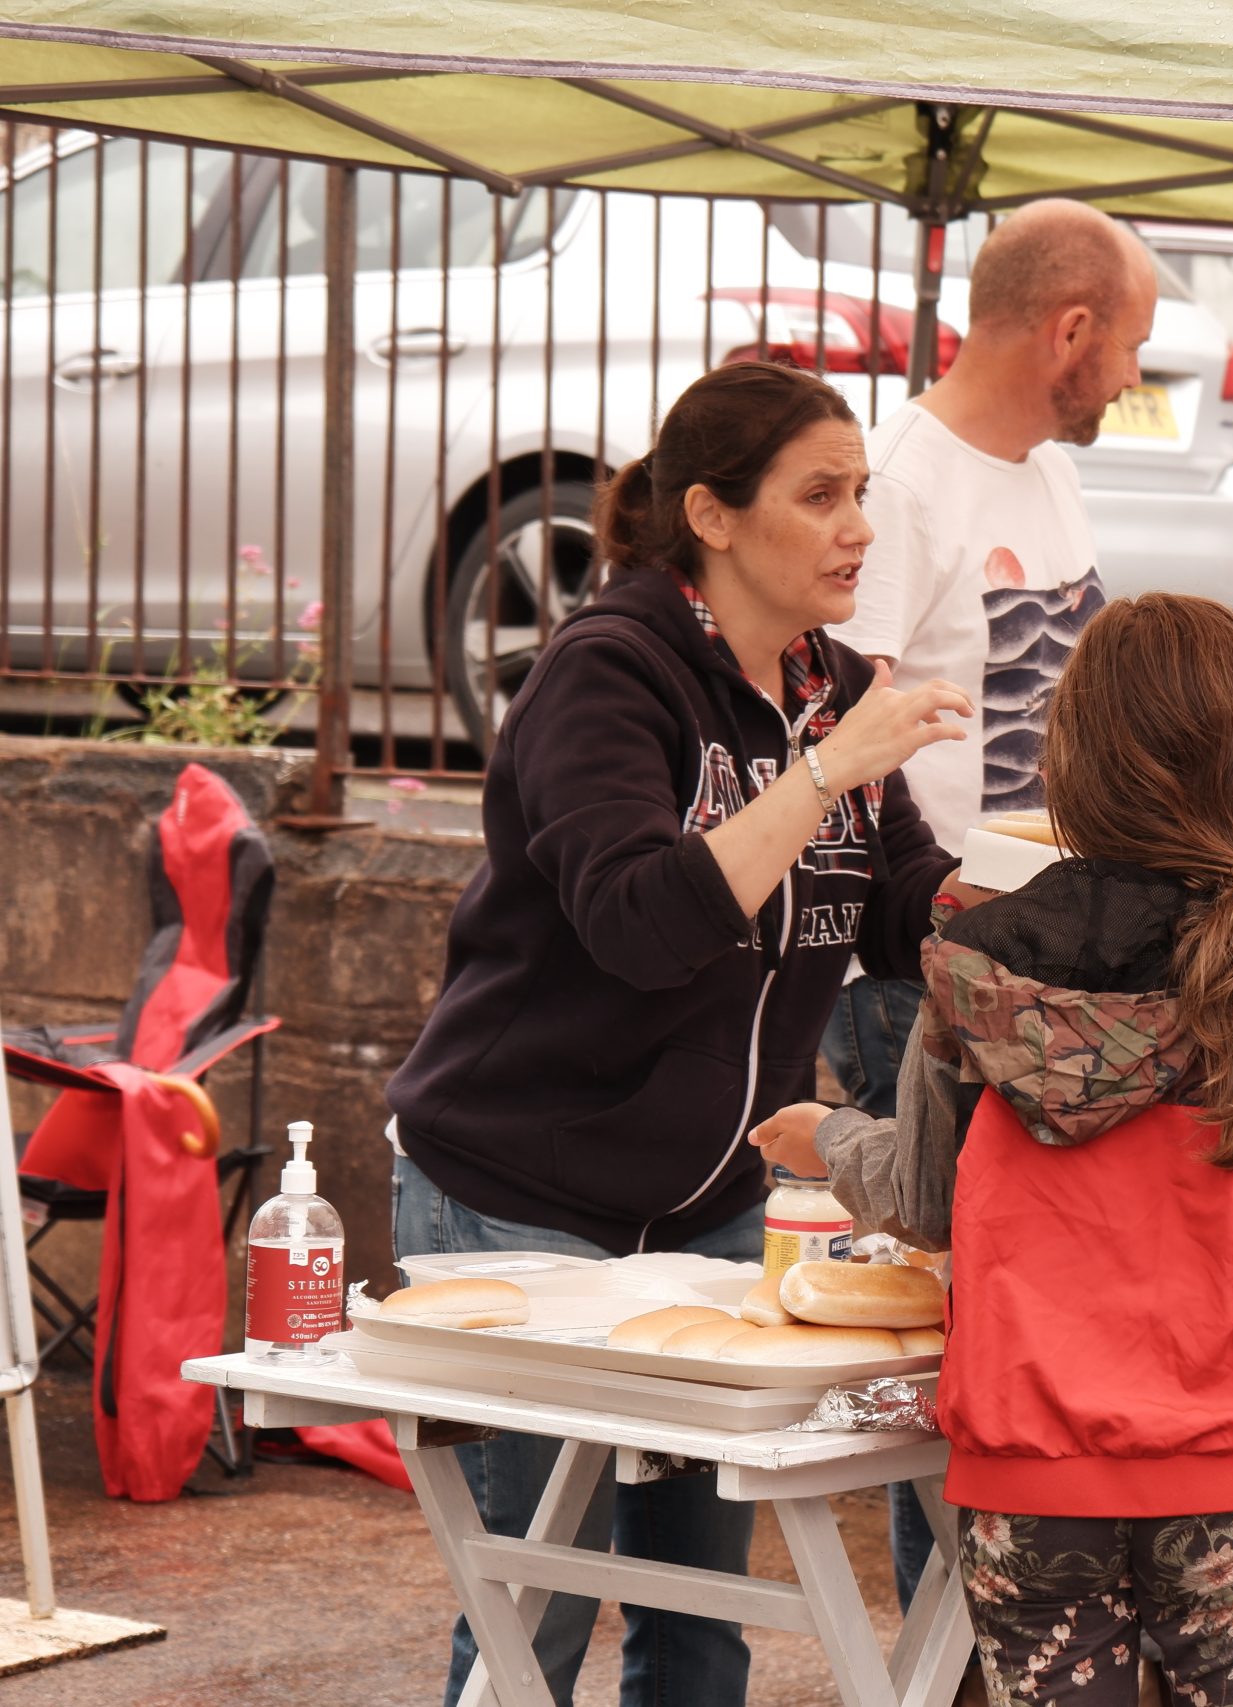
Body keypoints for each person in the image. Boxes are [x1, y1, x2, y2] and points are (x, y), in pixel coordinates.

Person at [383, 361, 969, 1707]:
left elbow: (896, 909)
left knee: (704, 1616)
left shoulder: (836, 683)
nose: (859, 529)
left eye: (863, 494)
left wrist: (1039, 894)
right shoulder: (608, 672)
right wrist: (823, 769)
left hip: (713, 1204)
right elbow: (643, 923)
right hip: (522, 1193)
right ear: (712, 513)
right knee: (547, 1596)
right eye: (820, 496)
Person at [754, 593, 1233, 1707]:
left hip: (1026, 1483)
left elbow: (926, 1200)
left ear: (1069, 757)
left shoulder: (974, 964)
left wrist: (834, 1140)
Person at [817, 202, 1157, 1608]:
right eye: (1127, 345)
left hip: (1057, 963)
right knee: (957, 1335)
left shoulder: (1041, 476)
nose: (1133, 378)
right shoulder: (901, 483)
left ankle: (992, 1653)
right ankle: (942, 1656)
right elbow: (831, 738)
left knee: (1019, 1334)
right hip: (930, 971)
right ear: (1066, 330)